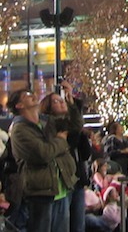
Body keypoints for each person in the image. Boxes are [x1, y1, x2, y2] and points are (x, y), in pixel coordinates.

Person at [7, 88, 77, 232]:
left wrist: (72, 104)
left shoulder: (46, 122)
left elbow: (75, 127)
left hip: (61, 188)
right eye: (26, 95)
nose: (33, 95)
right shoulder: (19, 130)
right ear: (19, 105)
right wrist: (61, 141)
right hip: (41, 192)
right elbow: (43, 153)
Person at [39, 81, 91, 232]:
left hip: (77, 178)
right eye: (56, 101)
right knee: (62, 224)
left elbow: (84, 149)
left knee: (78, 224)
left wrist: (71, 100)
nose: (62, 103)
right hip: (61, 181)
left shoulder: (72, 125)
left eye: (62, 101)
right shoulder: (49, 126)